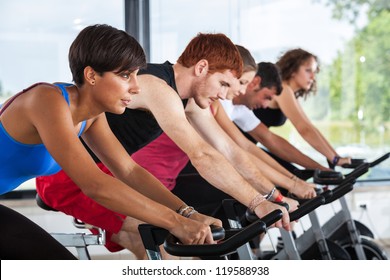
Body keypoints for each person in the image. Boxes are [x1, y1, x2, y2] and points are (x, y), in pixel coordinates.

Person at [36, 33, 291, 259]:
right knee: (160, 240)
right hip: (68, 176)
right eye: (223, 84)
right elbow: (201, 155)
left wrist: (274, 197)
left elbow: (228, 149)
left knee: (174, 241)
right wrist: (258, 202)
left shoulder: (188, 100)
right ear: (202, 67)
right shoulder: (159, 88)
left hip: (108, 171)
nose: (224, 96)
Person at [0, 24, 219, 260]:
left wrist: (187, 213)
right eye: (125, 75)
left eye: (136, 75)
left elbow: (129, 170)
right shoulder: (46, 101)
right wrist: (175, 223)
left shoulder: (91, 116)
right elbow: (94, 185)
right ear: (91, 75)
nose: (136, 87)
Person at [236, 48, 351, 172]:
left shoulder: (287, 91)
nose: (313, 77)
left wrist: (334, 157)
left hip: (249, 143)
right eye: (308, 71)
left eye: (314, 72)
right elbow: (304, 129)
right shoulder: (283, 89)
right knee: (294, 174)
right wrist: (334, 159)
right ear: (293, 70)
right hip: (239, 145)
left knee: (296, 173)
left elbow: (309, 126)